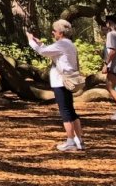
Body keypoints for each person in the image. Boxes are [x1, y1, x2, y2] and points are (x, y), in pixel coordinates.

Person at [27, 19, 84, 152]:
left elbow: (42, 52)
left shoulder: (62, 44)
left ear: (60, 32)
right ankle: (79, 140)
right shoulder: (69, 44)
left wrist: (31, 40)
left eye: (54, 31)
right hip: (69, 80)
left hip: (61, 82)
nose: (53, 33)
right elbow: (53, 54)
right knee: (71, 110)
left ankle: (70, 141)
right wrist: (41, 44)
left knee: (65, 111)